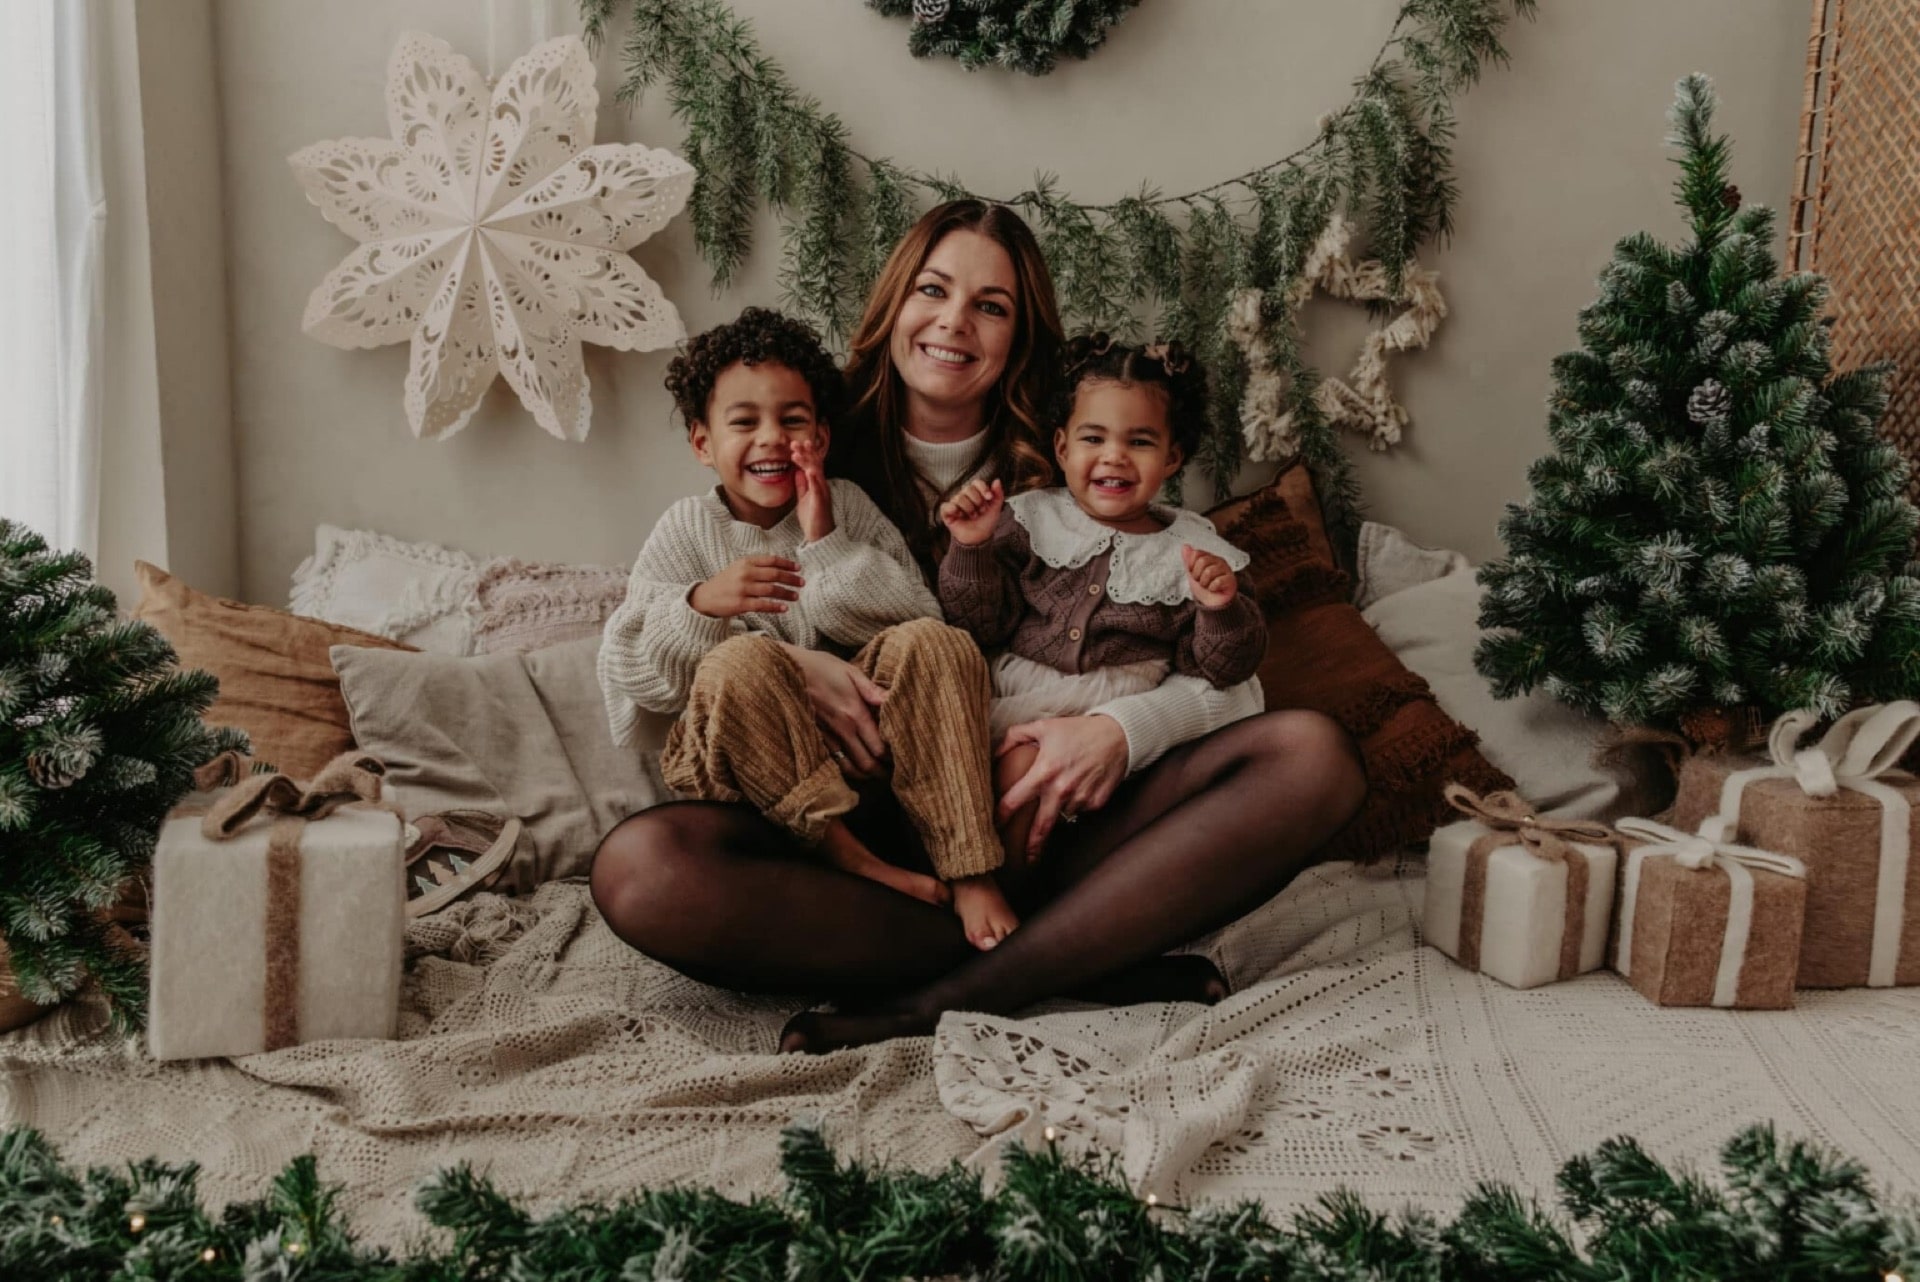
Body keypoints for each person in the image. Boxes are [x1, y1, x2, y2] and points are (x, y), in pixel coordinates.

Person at [591, 201, 1369, 1055]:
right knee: (640, 870)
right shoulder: (803, 437)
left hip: (1025, 812)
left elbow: (1229, 675)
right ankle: (1078, 958)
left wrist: (1116, 730)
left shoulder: (1077, 463)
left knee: (1310, 756)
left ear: (1018, 336)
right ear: (895, 304)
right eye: (933, 289)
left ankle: (948, 996)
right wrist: (776, 659)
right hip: (851, 829)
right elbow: (645, 643)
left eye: (990, 305)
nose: (954, 322)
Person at [596, 307, 1015, 940]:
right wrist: (700, 607)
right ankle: (845, 855)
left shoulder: (845, 505)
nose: (770, 438)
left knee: (936, 643)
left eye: (791, 420)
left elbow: (920, 620)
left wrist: (826, 544)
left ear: (819, 435)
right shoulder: (687, 530)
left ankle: (970, 868)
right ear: (703, 442)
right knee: (739, 662)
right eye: (744, 421)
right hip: (743, 775)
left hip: (861, 760)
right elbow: (634, 674)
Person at [937, 333, 1267, 933]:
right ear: (1062, 447)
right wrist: (971, 549)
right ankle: (993, 904)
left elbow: (1224, 670)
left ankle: (1062, 922)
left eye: (1139, 442)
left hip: (1126, 731)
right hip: (1020, 707)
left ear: (1172, 458)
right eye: (1094, 438)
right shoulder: (1028, 519)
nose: (1114, 457)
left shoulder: (1196, 551)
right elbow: (976, 622)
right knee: (1016, 775)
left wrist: (1220, 609)